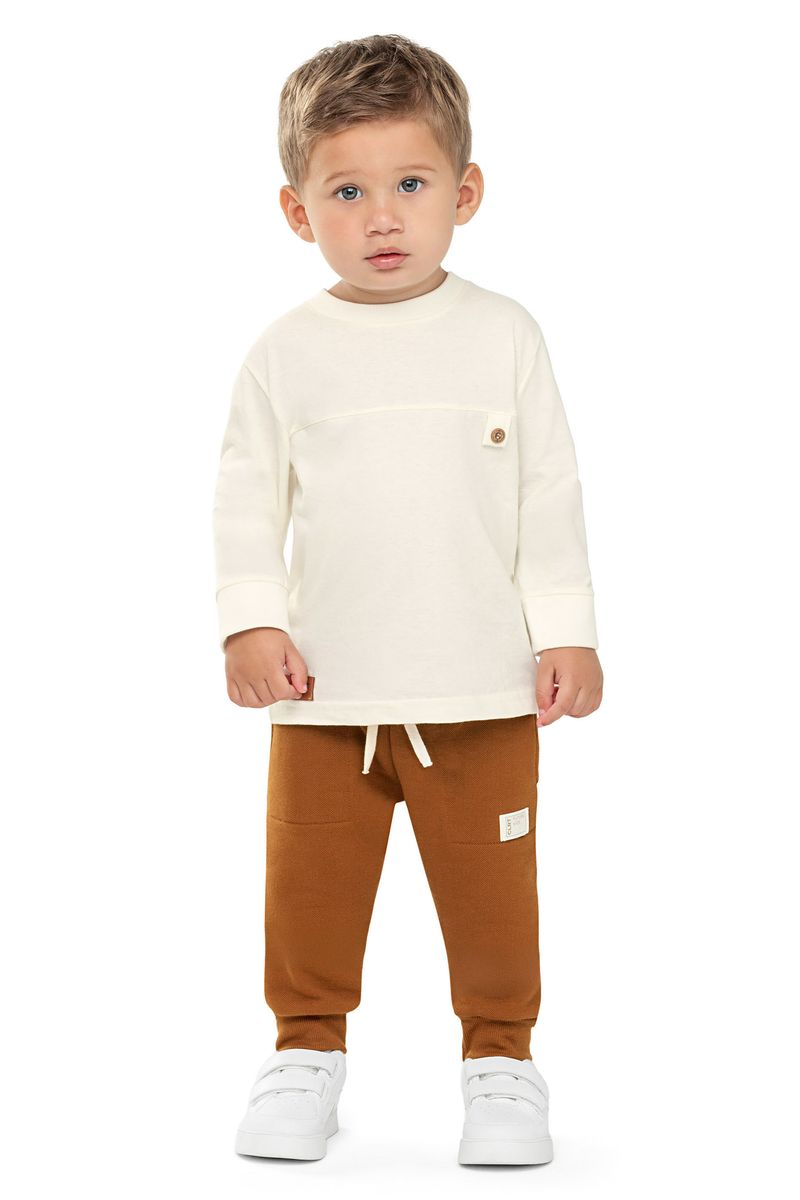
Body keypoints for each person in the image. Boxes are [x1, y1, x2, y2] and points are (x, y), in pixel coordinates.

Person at [212, 32, 603, 1167]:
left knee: (492, 892)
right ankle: (304, 1048)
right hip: (325, 692)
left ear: (464, 192)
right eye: (347, 192)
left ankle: (500, 1059)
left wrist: (567, 632)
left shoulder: (503, 334)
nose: (382, 216)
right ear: (297, 212)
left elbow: (548, 493)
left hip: (481, 688)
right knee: (309, 889)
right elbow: (245, 496)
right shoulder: (285, 353)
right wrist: (250, 618)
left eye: (411, 184)